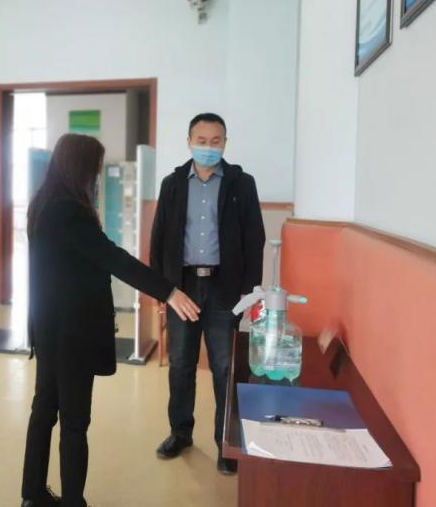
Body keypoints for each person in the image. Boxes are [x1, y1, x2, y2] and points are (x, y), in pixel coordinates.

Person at [21, 133, 201, 507]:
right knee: (74, 422)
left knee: (44, 412)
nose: (97, 177)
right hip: (72, 333)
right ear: (80, 169)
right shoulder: (69, 211)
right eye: (95, 169)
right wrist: (168, 291)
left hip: (50, 328)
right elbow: (113, 258)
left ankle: (32, 494)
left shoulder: (44, 205)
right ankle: (73, 501)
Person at [151, 113, 265, 475]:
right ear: (189, 142)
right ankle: (180, 433)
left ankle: (225, 443)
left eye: (216, 141)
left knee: (225, 368)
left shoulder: (241, 183)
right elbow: (159, 237)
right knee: (181, 364)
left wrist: (249, 293)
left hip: (224, 288)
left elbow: (255, 240)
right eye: (201, 141)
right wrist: (161, 289)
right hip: (182, 287)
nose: (208, 147)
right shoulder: (172, 184)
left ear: (225, 143)